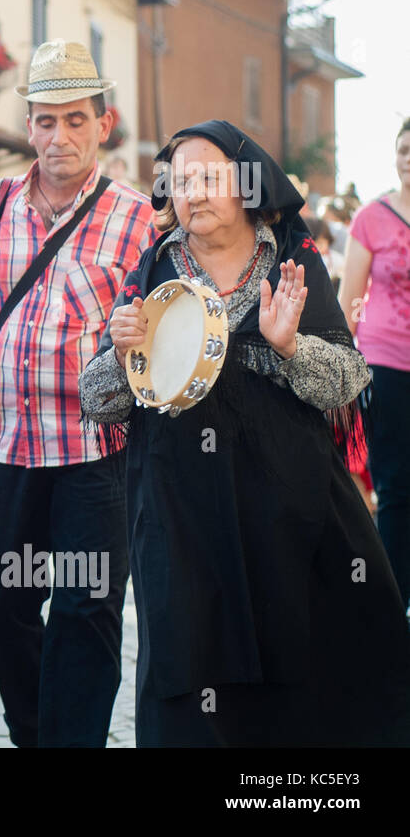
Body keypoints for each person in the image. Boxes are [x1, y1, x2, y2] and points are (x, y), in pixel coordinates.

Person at [80, 119, 410, 745]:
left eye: (209, 178)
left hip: (291, 510)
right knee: (190, 667)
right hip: (182, 518)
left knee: (304, 661)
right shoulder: (152, 268)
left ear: (247, 185)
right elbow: (99, 402)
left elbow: (346, 381)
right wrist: (119, 356)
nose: (194, 194)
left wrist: (289, 348)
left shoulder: (291, 258)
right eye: (180, 182)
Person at [0, 40, 152, 747]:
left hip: (96, 452)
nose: (61, 137)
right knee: (0, 602)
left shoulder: (139, 217)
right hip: (3, 442)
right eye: (47, 121)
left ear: (103, 125)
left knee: (87, 610)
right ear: (28, 127)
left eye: (76, 120)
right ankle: (37, 733)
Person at [342, 118, 410, 613]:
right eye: (404, 149)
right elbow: (348, 300)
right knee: (394, 485)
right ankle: (394, 607)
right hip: (386, 363)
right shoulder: (371, 218)